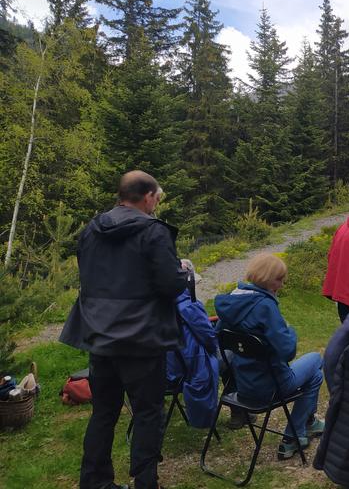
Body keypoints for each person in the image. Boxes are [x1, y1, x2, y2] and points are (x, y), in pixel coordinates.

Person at [60, 170, 189, 489]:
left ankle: (94, 482)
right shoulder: (153, 232)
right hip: (141, 340)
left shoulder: (92, 229)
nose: (156, 205)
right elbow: (169, 286)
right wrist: (183, 273)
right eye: (157, 199)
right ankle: (146, 482)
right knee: (147, 413)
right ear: (147, 197)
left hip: (100, 336)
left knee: (104, 412)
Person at [215, 253, 325, 460]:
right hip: (272, 385)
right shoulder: (265, 306)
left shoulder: (232, 302)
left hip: (244, 385)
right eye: (279, 279)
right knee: (317, 361)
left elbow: (220, 338)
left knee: (314, 375)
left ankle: (304, 427)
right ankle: (294, 435)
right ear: (266, 278)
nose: (282, 285)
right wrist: (290, 332)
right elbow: (288, 352)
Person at [168, 286, 219, 429]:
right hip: (186, 371)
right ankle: (239, 411)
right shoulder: (188, 305)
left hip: (159, 372)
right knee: (232, 356)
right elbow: (209, 337)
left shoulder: (152, 304)